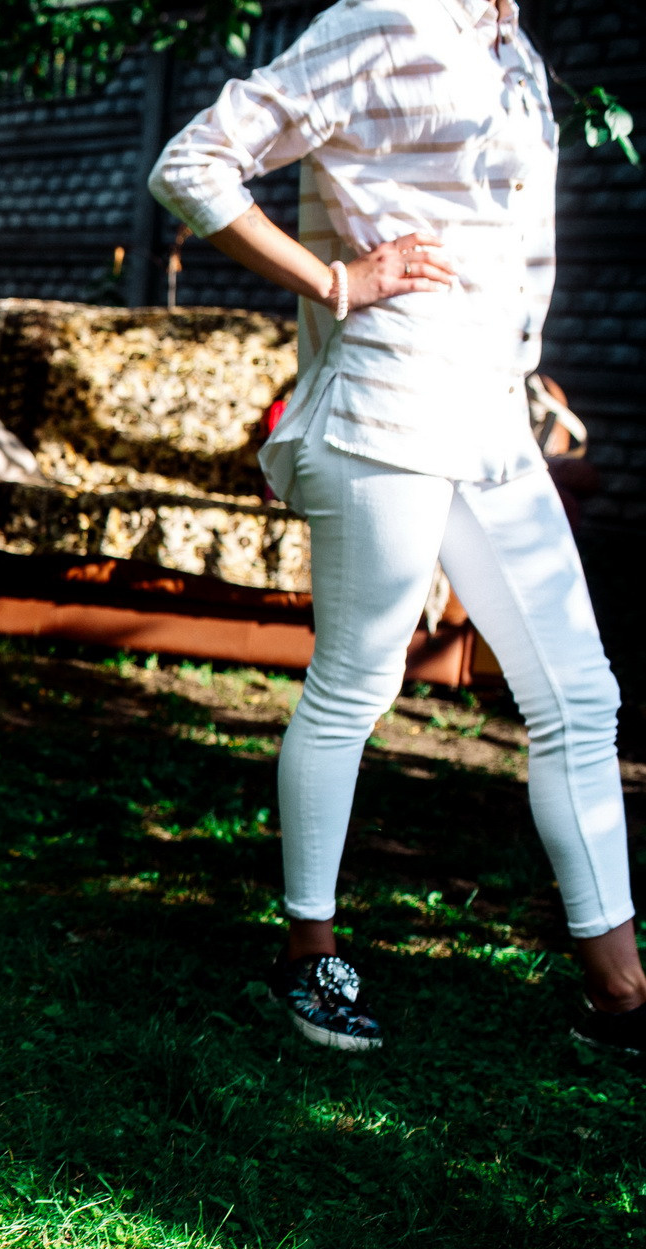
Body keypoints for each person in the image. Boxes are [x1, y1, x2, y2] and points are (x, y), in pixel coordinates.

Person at [149, 0, 641, 1053]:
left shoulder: (509, 42)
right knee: (358, 685)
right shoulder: (384, 19)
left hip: (489, 416)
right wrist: (336, 278)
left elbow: (503, 233)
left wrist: (520, 360)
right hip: (385, 409)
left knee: (578, 692)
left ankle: (619, 993)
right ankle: (308, 953)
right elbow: (192, 165)